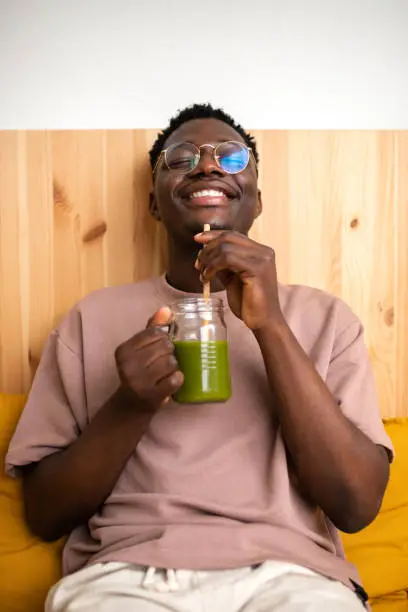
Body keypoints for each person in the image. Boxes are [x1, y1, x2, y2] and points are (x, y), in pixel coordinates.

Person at [6, 104, 393, 612]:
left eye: (232, 159)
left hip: (292, 577)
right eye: (181, 158)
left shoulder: (324, 318)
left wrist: (270, 324)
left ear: (257, 201)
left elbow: (356, 504)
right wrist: (130, 404)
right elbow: (45, 514)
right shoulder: (91, 319)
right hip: (129, 577)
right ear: (153, 203)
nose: (208, 166)